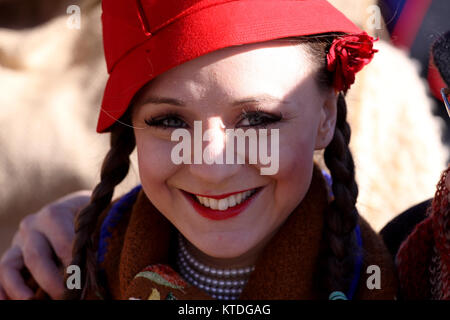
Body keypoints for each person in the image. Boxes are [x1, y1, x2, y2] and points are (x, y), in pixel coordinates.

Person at [0, 0, 397, 300]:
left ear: (326, 116)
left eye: (258, 119)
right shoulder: (60, 274)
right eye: (169, 121)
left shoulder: (400, 275)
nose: (212, 168)